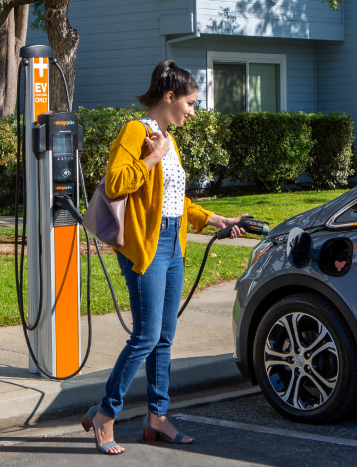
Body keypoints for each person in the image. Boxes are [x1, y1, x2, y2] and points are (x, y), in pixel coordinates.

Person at [81, 60, 248, 455]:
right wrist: (152, 157)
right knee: (145, 336)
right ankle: (105, 414)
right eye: (189, 103)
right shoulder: (136, 132)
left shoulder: (167, 138)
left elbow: (172, 199)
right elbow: (116, 183)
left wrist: (213, 218)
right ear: (169, 97)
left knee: (164, 339)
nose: (192, 111)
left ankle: (157, 417)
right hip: (147, 244)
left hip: (174, 244)